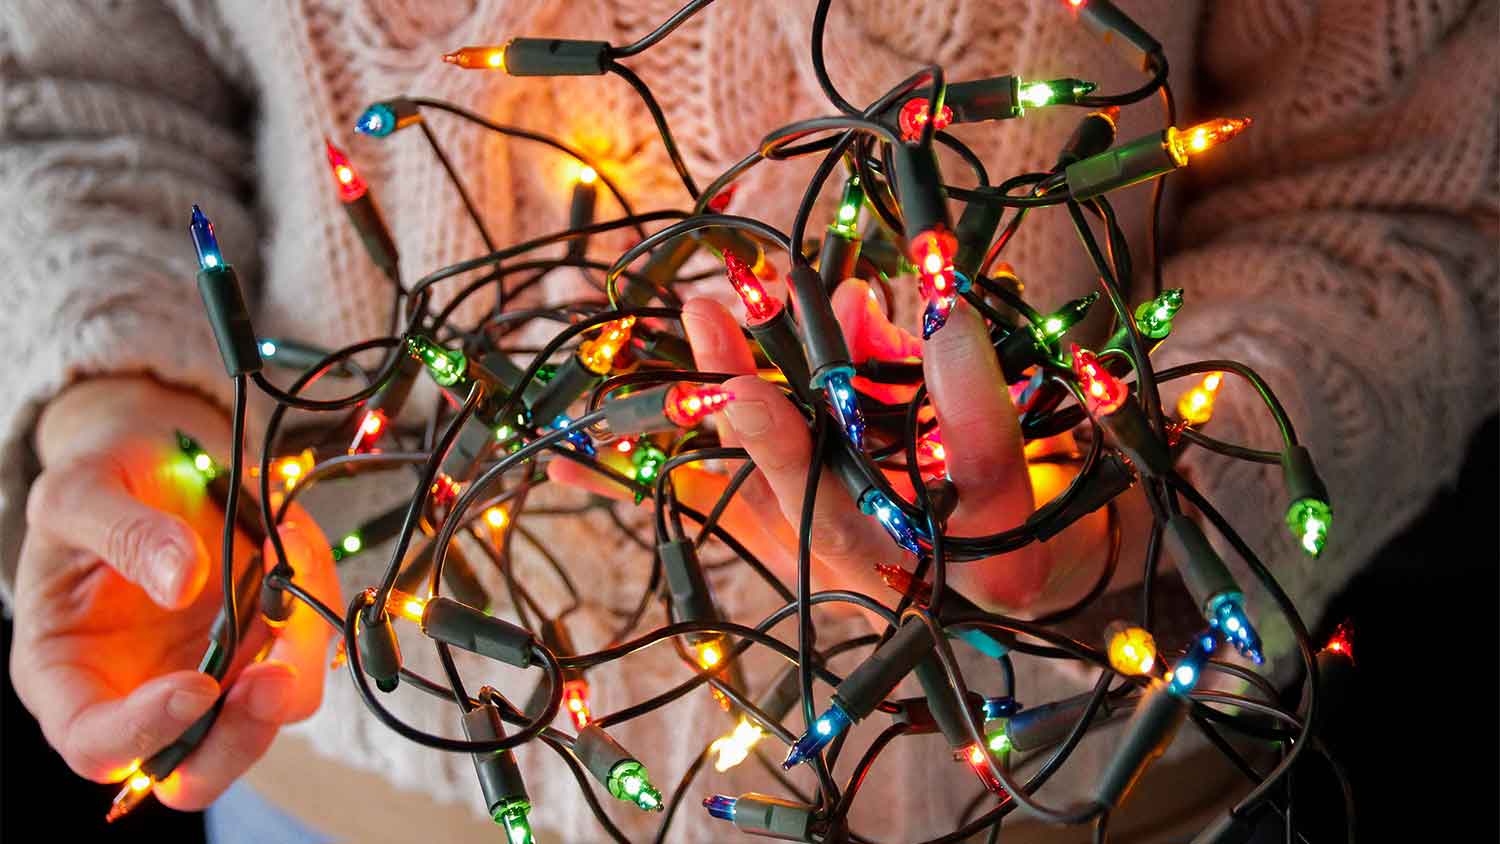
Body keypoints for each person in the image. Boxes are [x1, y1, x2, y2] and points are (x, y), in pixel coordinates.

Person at [2, 1, 1494, 841]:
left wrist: (1139, 497)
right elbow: (76, 96)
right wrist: (120, 403)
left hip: (1079, 802)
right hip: (340, 796)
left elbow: (1396, 193)